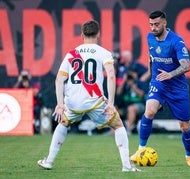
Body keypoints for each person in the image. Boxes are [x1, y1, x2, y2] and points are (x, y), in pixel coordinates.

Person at [37, 20, 140, 172]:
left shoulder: (72, 54)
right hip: (94, 102)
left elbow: (59, 79)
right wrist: (111, 103)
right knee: (118, 125)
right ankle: (126, 166)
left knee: (63, 123)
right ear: (98, 34)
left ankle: (49, 161)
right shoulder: (104, 53)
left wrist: (60, 103)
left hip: (72, 102)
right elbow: (111, 76)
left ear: (82, 35)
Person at [130, 10, 190, 167]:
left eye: (156, 24)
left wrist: (170, 74)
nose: (153, 28)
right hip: (158, 84)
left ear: (165, 23)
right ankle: (140, 150)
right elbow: (151, 58)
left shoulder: (177, 41)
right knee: (149, 111)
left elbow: (186, 66)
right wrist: (150, 74)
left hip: (177, 88)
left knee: (185, 126)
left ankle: (189, 156)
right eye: (151, 25)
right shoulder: (149, 38)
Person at [116, 69, 148, 134]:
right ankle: (114, 131)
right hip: (125, 106)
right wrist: (124, 81)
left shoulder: (140, 82)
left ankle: (128, 130)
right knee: (113, 110)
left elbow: (141, 95)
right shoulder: (124, 84)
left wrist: (133, 86)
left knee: (131, 108)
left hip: (139, 106)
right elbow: (118, 93)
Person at [14, 69, 44, 134]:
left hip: (32, 106)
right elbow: (13, 93)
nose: (24, 77)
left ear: (29, 76)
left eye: (26, 75)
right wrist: (19, 82)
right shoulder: (19, 85)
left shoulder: (34, 84)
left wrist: (28, 86)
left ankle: (36, 126)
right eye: (23, 76)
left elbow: (35, 93)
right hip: (20, 106)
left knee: (36, 109)